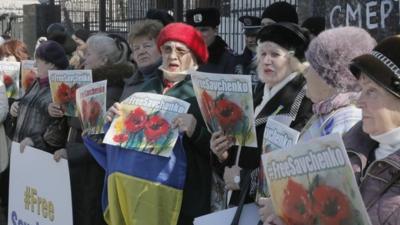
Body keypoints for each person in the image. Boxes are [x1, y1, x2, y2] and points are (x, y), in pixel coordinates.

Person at [264, 35, 400, 225]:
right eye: (361, 89)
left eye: (372, 91)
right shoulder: (352, 146)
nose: (359, 102)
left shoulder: (347, 133)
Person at [96, 22, 212, 225]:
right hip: (138, 197)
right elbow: (122, 140)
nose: (172, 56)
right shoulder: (145, 88)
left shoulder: (207, 93)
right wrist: (110, 121)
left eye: (180, 51)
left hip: (184, 199)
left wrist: (196, 130)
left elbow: (223, 153)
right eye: (167, 49)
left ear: (194, 56)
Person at [210, 22, 313, 207]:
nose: (266, 60)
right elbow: (241, 154)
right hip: (240, 203)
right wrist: (222, 155)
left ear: (293, 60)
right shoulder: (259, 93)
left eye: (275, 54)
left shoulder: (304, 99)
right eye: (263, 54)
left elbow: (295, 162)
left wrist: (243, 179)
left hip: (272, 207)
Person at [48, 33, 133, 225]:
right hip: (78, 163)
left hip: (91, 170)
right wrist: (58, 109)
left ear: (104, 59)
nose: (84, 58)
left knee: (87, 214)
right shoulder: (89, 82)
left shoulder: (110, 90)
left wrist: (69, 152)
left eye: (89, 54)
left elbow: (99, 139)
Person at [299, 27, 376, 142]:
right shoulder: (327, 111)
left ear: (331, 77)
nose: (305, 72)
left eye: (312, 66)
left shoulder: (348, 120)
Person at [119, 19, 163, 100]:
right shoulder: (130, 84)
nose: (141, 52)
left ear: (161, 48)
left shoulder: (170, 81)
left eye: (147, 46)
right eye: (136, 48)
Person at [186, 7, 237, 74]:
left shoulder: (228, 59)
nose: (199, 35)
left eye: (204, 30)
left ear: (215, 30)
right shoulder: (185, 54)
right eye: (195, 30)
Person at [235, 15, 262, 89]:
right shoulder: (239, 61)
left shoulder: (270, 61)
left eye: (254, 35)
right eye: (247, 35)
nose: (249, 40)